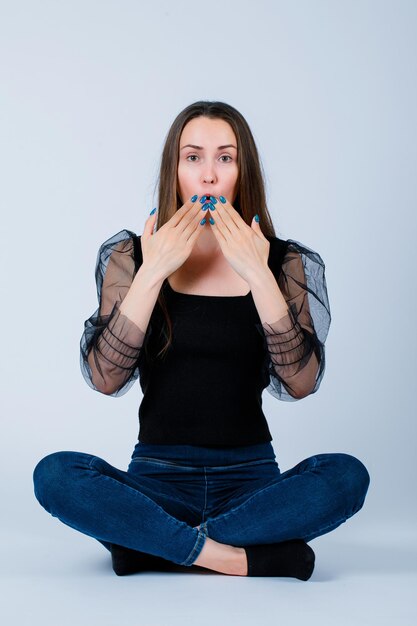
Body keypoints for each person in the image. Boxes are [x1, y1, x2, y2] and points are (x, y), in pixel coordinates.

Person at [32, 101, 370, 580]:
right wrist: (154, 272)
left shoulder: (283, 262)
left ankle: (151, 545)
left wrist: (258, 274)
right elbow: (105, 379)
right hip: (156, 479)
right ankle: (237, 557)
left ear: (241, 170)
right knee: (55, 474)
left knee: (347, 475)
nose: (208, 175)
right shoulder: (132, 255)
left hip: (251, 483)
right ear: (175, 170)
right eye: (193, 158)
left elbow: (301, 383)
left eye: (224, 158)